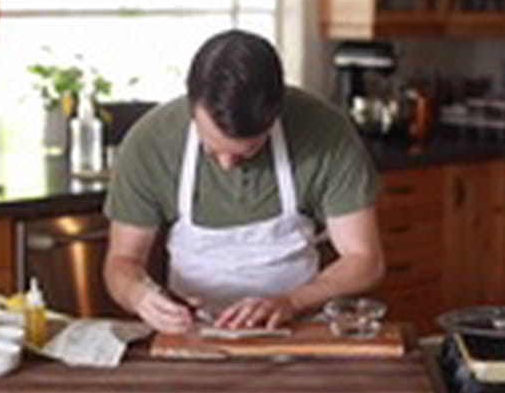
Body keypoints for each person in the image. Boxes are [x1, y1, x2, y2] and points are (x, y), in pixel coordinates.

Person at [103, 29, 385, 333]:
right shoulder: (150, 142)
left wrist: (291, 301)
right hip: (192, 336)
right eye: (212, 147)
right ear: (192, 104)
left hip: (298, 329)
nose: (226, 164)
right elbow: (122, 261)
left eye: (247, 151)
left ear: (277, 112)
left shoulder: (326, 133)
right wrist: (140, 296)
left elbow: (365, 260)